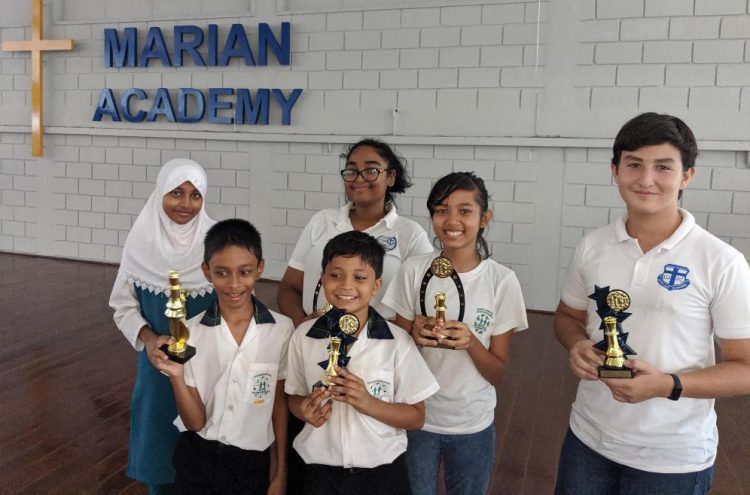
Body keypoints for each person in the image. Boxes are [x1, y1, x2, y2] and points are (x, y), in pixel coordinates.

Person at [553, 112, 750, 494]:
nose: (646, 179)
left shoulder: (720, 261)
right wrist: (576, 343)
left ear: (686, 176)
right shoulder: (592, 246)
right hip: (588, 440)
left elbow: (745, 368)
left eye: (663, 167)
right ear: (615, 170)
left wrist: (667, 385)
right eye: (633, 165)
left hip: (672, 459)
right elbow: (566, 317)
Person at [382, 172, 528, 495]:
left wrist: (471, 343)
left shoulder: (502, 281)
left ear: (484, 217)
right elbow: (391, 355)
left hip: (472, 424)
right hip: (416, 418)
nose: (452, 220)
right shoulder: (414, 269)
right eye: (442, 209)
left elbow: (498, 372)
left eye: (465, 211)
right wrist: (412, 332)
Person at [285, 231, 439, 495]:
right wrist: (303, 409)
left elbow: (416, 417)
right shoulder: (303, 336)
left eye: (359, 277)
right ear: (322, 279)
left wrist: (370, 404)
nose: (346, 285)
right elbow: (292, 397)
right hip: (318, 470)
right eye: (336, 275)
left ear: (376, 285)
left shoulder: (397, 342)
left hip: (381, 472)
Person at [155, 219, 293, 494]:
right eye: (222, 273)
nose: (234, 284)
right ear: (206, 271)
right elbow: (195, 423)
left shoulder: (281, 330)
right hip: (198, 459)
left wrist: (279, 471)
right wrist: (177, 377)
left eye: (245, 272)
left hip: (253, 463)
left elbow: (279, 405)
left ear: (260, 268)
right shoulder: (190, 333)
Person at [109, 158, 216, 494]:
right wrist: (149, 338)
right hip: (158, 370)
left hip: (212, 368)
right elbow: (122, 305)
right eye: (176, 193)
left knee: (209, 454)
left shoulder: (216, 243)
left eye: (195, 195)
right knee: (161, 453)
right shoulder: (140, 242)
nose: (186, 204)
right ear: (159, 193)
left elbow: (239, 297)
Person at [277, 138, 433, 326]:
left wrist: (385, 343)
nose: (359, 178)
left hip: (378, 347)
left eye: (371, 170)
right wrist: (302, 325)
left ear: (390, 177)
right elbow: (289, 288)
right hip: (318, 340)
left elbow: (424, 304)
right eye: (352, 170)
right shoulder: (322, 221)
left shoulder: (410, 234)